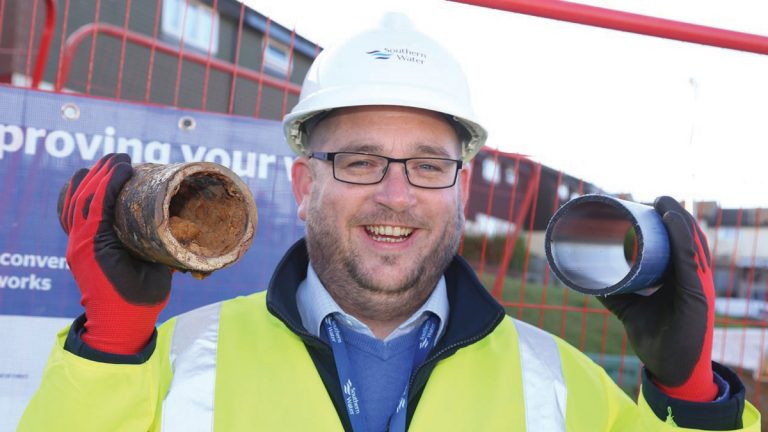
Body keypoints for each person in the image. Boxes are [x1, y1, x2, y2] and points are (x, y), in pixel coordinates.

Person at [19, 12, 760, 432]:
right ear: (305, 181)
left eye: (428, 164)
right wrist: (108, 354)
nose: (398, 195)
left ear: (461, 187)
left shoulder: (563, 388)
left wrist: (694, 400)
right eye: (362, 160)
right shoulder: (172, 365)